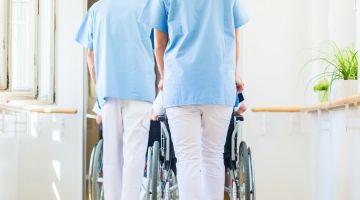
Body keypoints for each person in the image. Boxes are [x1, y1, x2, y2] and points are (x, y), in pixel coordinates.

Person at [139, 0, 249, 199]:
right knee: (214, 157)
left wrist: (165, 77)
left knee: (187, 159)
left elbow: (159, 45)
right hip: (218, 84)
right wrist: (232, 73)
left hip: (180, 84)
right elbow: (235, 39)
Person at [75, 0, 156, 199]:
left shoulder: (97, 9)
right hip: (142, 91)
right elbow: (159, 50)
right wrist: (158, 89)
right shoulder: (149, 7)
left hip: (108, 91)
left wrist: (98, 91)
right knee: (134, 156)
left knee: (111, 157)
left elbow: (90, 55)